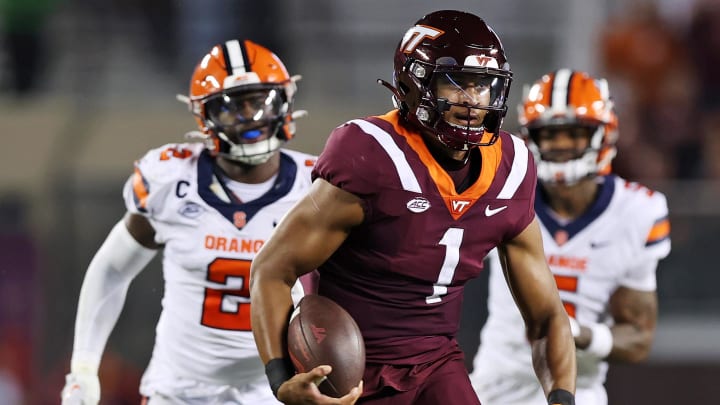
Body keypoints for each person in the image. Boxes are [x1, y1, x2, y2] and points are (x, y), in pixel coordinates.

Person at [249, 10, 577, 405]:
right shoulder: (373, 155)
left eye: (482, 85)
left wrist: (562, 398)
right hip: (351, 368)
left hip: (436, 361)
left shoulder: (513, 169)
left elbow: (546, 317)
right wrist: (281, 379)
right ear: (412, 84)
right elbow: (272, 268)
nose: (472, 100)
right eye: (454, 84)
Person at [60, 39, 317, 404]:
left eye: (259, 101)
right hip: (178, 391)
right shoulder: (170, 180)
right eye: (232, 108)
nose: (250, 118)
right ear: (204, 116)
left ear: (284, 100)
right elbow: (112, 270)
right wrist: (83, 368)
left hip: (273, 391)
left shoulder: (317, 187)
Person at [469, 69, 672, 405]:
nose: (560, 144)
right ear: (532, 137)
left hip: (577, 389)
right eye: (550, 133)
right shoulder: (502, 192)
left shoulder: (638, 211)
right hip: (494, 387)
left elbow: (638, 338)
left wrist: (576, 333)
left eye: (574, 133)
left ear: (602, 134)